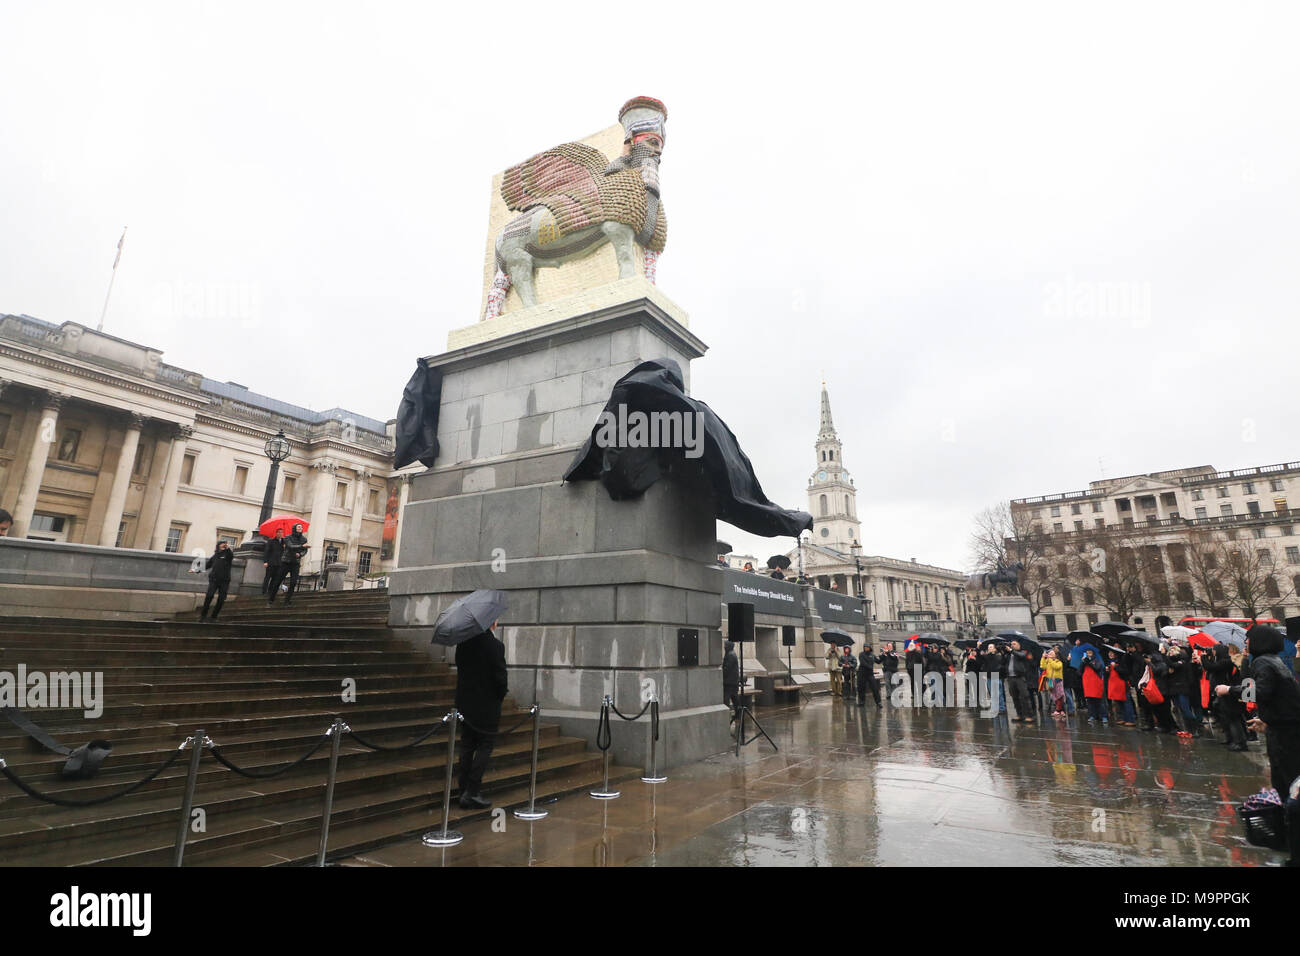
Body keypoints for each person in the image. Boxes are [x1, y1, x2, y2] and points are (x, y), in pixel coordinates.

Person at [1217, 624, 1300, 798]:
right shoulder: (1270, 660)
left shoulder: (1263, 662)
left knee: (1285, 777)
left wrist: (1228, 690)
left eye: (1249, 638)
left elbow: (1258, 692)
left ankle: (1289, 816)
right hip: (1283, 727)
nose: (1246, 642)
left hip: (1285, 733)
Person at [455, 620, 508, 810]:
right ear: (492, 623)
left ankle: (463, 790)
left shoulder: (463, 643)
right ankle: (472, 791)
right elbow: (501, 678)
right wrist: (499, 696)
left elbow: (461, 670)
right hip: (487, 707)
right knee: (485, 746)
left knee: (467, 745)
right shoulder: (495, 646)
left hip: (465, 705)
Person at [268, 523, 308, 607]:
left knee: (293, 582)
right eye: (299, 527)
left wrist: (300, 554)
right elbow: (290, 546)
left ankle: (287, 601)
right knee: (278, 581)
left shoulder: (304, 539)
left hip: (295, 563)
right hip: (286, 562)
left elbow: (305, 550)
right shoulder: (287, 537)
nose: (300, 528)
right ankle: (271, 599)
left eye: (301, 527)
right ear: (294, 528)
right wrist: (301, 546)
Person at [200, 541, 234, 621]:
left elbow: (231, 555)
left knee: (221, 598)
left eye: (225, 544)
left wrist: (227, 548)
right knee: (209, 596)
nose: (224, 545)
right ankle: (203, 615)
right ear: (218, 546)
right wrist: (196, 570)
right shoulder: (215, 556)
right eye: (222, 543)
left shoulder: (228, 554)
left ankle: (214, 616)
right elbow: (207, 565)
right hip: (214, 579)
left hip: (224, 580)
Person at [1005, 640, 1035, 724]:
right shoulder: (1009, 654)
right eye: (1011, 644)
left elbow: (1021, 656)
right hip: (1011, 678)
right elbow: (1003, 661)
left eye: (1014, 644)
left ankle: (1029, 715)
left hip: (1020, 678)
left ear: (1019, 645)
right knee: (1015, 697)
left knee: (1025, 696)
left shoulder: (1023, 652)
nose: (1012, 645)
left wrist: (1011, 651)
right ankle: (1019, 714)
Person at [1080, 647, 1107, 725]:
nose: (1088, 654)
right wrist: (1083, 663)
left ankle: (1103, 716)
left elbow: (1097, 668)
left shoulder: (1097, 660)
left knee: (1100, 701)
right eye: (1087, 653)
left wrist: (1089, 662)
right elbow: (1079, 672)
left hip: (1096, 684)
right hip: (1088, 685)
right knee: (1090, 701)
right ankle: (1092, 715)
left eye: (1090, 653)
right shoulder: (1084, 662)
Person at [1042, 647, 1067, 718]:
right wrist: (1043, 658)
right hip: (1050, 680)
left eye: (1051, 654)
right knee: (1053, 695)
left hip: (1057, 680)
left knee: (1060, 694)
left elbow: (1055, 667)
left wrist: (1050, 660)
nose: (1049, 655)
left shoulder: (1059, 662)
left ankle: (1058, 710)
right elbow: (1043, 666)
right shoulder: (1048, 661)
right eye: (1049, 654)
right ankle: (1060, 710)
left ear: (1055, 655)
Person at [263, 528, 286, 600]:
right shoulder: (271, 541)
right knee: (267, 578)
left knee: (274, 579)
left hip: (279, 563)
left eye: (282, 532)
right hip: (271, 562)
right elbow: (267, 551)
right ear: (276, 533)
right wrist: (265, 561)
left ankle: (270, 592)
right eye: (279, 532)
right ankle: (264, 592)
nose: (280, 534)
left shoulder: (284, 542)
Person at [722, 640, 740, 721]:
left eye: (725, 645)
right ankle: (738, 714)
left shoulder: (730, 655)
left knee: (726, 699)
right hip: (733, 682)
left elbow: (727, 669)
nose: (724, 647)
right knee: (734, 698)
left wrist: (721, 675)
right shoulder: (731, 654)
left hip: (729, 682)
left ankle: (726, 715)